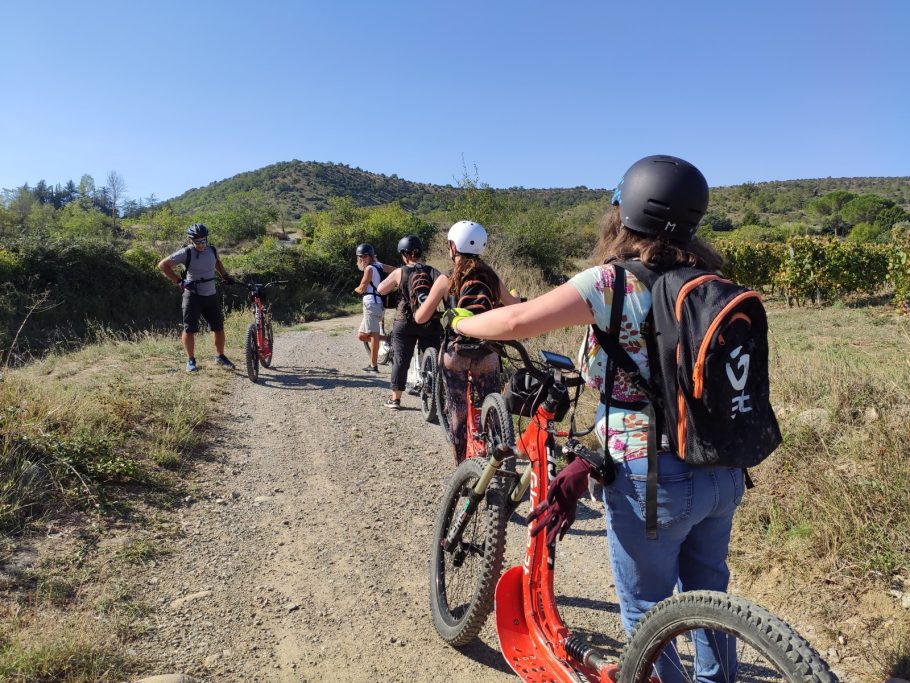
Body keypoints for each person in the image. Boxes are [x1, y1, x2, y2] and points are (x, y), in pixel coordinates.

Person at [444, 156, 743, 682]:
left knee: (647, 613)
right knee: (707, 599)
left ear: (624, 213)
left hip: (651, 479)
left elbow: (515, 320)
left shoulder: (612, 281)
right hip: (721, 467)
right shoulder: (711, 281)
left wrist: (466, 320)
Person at [414, 220, 520, 464]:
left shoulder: (446, 280)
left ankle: (461, 470)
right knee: (490, 409)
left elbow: (421, 318)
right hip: (487, 352)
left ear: (453, 247)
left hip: (456, 354)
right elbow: (516, 308)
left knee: (457, 412)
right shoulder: (492, 278)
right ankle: (497, 461)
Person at [158, 223, 237, 373]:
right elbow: (163, 265)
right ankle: (191, 360)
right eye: (197, 242)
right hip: (193, 296)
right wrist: (180, 282)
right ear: (191, 241)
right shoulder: (186, 252)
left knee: (218, 328)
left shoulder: (212, 250)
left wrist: (225, 276)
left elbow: (217, 263)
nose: (201, 244)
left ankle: (220, 357)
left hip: (211, 295)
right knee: (190, 329)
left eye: (203, 241)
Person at [375, 235, 442, 409]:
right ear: (420, 252)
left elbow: (381, 290)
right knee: (434, 356)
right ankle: (435, 395)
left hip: (404, 321)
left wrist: (398, 284)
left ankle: (395, 399)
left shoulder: (400, 271)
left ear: (404, 253)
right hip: (430, 321)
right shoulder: (432, 271)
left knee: (400, 360)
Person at [353, 243, 393, 372]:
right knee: (361, 335)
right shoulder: (379, 265)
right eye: (360, 257)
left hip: (372, 304)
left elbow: (362, 286)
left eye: (365, 257)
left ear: (370, 257)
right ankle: (389, 339)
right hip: (377, 304)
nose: (362, 259)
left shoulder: (369, 269)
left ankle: (373, 366)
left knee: (373, 335)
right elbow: (397, 271)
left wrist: (355, 290)